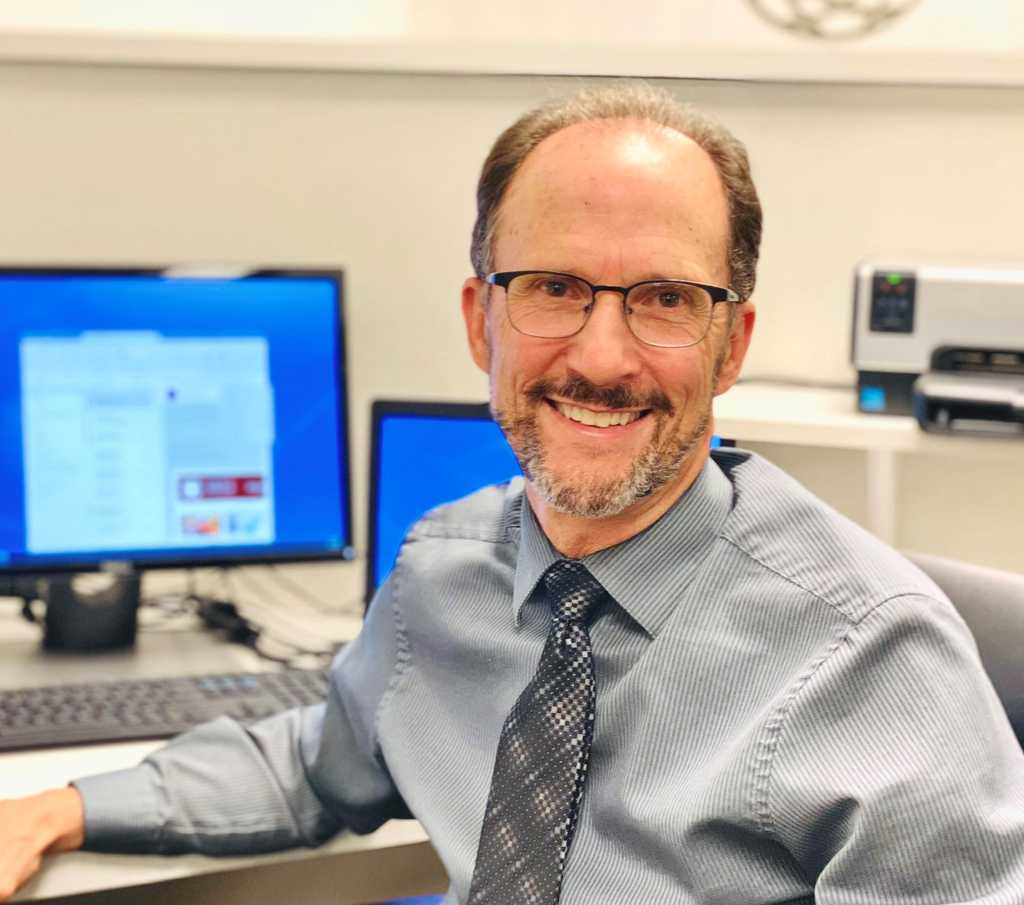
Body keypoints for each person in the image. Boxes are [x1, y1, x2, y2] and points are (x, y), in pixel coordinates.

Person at [2, 81, 1024, 904]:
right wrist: (54, 804)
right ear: (480, 322)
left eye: (665, 298)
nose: (601, 353)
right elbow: (321, 759)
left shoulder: (877, 663)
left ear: (731, 345)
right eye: (554, 287)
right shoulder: (443, 572)